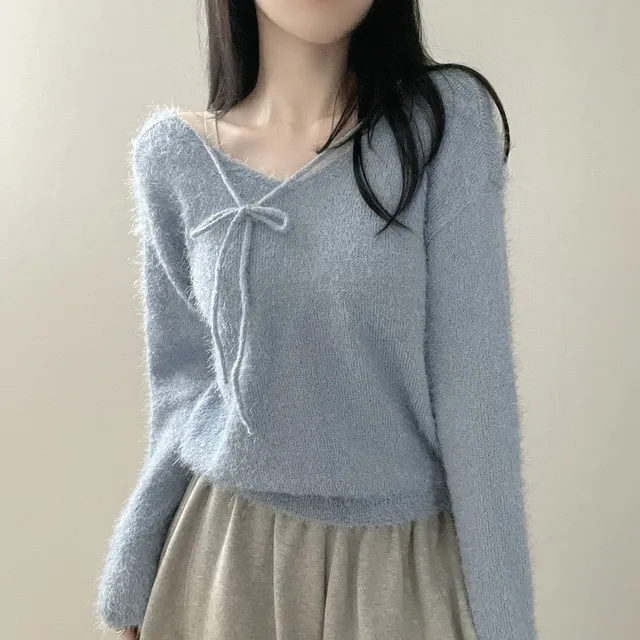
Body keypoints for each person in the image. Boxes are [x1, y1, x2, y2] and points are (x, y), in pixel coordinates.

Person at [95, 1, 537, 638]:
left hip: (397, 569)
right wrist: (134, 570)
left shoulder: (442, 127)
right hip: (222, 563)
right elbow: (182, 391)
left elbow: (478, 399)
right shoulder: (175, 158)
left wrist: (507, 626)